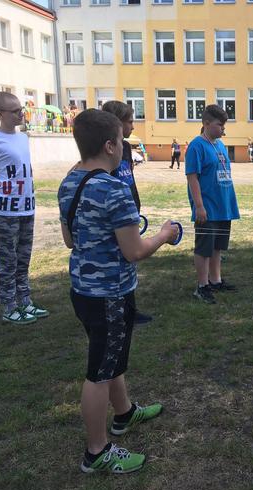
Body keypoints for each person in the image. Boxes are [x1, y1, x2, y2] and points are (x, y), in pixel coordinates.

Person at [58, 109, 180, 474]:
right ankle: (96, 452)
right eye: (122, 141)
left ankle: (124, 414)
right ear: (110, 145)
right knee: (99, 371)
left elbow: (69, 240)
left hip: (83, 290)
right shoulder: (115, 188)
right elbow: (135, 251)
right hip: (109, 295)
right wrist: (164, 233)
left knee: (110, 358)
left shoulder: (69, 181)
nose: (124, 148)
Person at [0, 91, 49, 324]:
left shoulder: (23, 137)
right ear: (0, 114)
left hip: (26, 207)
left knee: (23, 257)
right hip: (5, 210)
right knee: (7, 259)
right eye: (16, 111)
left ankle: (25, 302)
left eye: (21, 109)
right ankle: (9, 305)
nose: (22, 114)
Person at [102, 101, 153, 325]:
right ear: (116, 123)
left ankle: (130, 310)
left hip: (130, 209)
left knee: (128, 264)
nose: (133, 125)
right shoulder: (107, 150)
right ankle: (118, 311)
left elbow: (128, 179)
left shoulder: (127, 148)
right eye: (130, 121)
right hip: (115, 215)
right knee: (118, 262)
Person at [186, 105, 240, 304]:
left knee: (217, 247)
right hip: (207, 207)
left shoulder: (219, 145)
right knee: (204, 248)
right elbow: (192, 178)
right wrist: (199, 206)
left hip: (223, 206)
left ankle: (215, 280)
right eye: (220, 125)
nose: (223, 130)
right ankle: (202, 285)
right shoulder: (196, 146)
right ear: (206, 123)